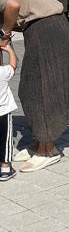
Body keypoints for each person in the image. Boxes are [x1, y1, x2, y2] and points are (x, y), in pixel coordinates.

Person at [0, 0, 69, 172]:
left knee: (41, 88)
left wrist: (5, 34)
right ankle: (39, 142)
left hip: (47, 29)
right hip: (43, 27)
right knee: (30, 88)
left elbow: (13, 6)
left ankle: (48, 150)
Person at [0, 37, 17, 182]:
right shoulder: (3, 72)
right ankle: (5, 167)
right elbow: (13, 64)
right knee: (5, 139)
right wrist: (9, 49)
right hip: (4, 113)